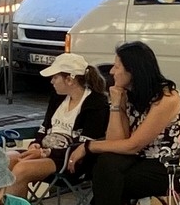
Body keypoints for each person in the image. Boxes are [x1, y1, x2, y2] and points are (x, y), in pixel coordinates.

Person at [68, 41, 180, 205]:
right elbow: (117, 141)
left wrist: (88, 146)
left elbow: (132, 145)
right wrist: (117, 105)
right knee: (107, 165)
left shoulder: (167, 98)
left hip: (170, 166)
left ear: (133, 70)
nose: (112, 71)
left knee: (108, 178)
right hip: (139, 160)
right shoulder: (129, 94)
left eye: (117, 66)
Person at [9, 51, 108, 196]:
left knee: (21, 169)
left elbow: (85, 143)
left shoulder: (96, 103)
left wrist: (45, 152)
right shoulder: (58, 97)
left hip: (71, 160)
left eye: (55, 77)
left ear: (69, 80)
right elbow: (44, 127)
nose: (51, 81)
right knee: (3, 161)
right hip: (45, 152)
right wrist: (36, 144)